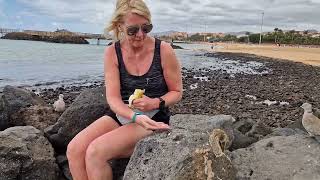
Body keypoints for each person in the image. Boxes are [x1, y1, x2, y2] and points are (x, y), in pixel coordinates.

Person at [66, 0, 183, 179]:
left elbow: (177, 92)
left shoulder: (164, 50)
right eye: (132, 30)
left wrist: (155, 102)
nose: (140, 35)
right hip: (124, 114)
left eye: (146, 28)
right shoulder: (112, 52)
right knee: (74, 150)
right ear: (120, 26)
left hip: (153, 118)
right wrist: (134, 115)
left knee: (95, 153)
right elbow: (113, 99)